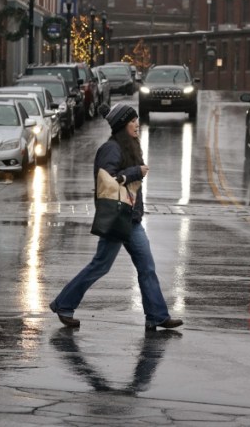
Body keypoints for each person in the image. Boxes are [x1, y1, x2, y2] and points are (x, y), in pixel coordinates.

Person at [49, 103, 183, 331]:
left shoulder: (129, 146)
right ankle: (63, 304)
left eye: (136, 120)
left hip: (131, 219)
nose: (137, 125)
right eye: (132, 121)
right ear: (122, 125)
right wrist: (134, 172)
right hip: (117, 220)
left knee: (147, 267)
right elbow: (106, 180)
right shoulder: (111, 149)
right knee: (100, 266)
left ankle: (157, 316)